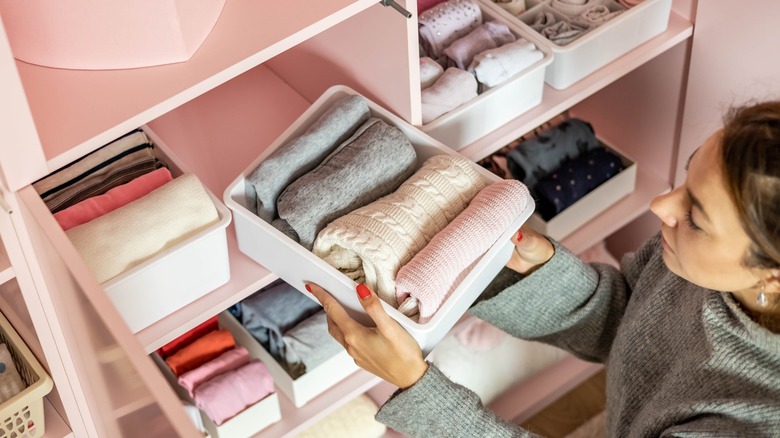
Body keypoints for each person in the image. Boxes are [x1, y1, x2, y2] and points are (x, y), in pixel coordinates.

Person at [305, 101, 780, 436]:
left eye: (696, 216)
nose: (661, 205)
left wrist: (417, 385)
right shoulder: (696, 265)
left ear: (771, 277)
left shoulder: (751, 421)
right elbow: (631, 324)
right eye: (688, 174)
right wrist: (537, 272)